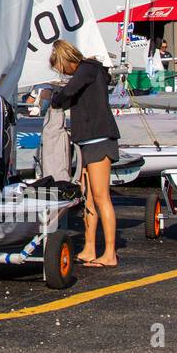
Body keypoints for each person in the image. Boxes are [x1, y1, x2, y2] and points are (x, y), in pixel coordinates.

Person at [48, 40, 121, 268]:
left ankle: (110, 253)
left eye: (61, 68)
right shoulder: (87, 75)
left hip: (99, 141)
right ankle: (90, 248)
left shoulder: (87, 69)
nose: (63, 73)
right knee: (88, 198)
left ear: (65, 60)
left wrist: (54, 97)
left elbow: (67, 93)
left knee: (101, 198)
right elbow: (71, 95)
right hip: (87, 142)